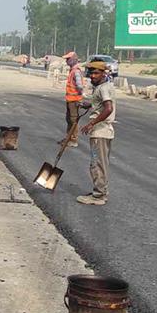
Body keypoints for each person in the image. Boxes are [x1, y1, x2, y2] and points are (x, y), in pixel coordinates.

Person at [77, 60, 116, 206]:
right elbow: (101, 105)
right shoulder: (102, 86)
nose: (92, 76)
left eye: (96, 73)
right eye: (91, 73)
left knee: (97, 163)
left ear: (103, 73)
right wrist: (90, 104)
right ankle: (100, 191)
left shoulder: (103, 89)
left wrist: (91, 123)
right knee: (101, 163)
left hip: (100, 132)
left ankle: (99, 195)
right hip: (104, 131)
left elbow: (108, 108)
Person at [62, 51, 84, 148]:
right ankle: (68, 138)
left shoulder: (76, 71)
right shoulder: (72, 70)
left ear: (73, 59)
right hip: (70, 99)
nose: (66, 61)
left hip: (74, 100)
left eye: (68, 59)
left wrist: (79, 96)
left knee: (73, 120)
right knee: (69, 119)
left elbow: (79, 86)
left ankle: (73, 139)